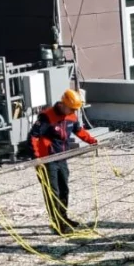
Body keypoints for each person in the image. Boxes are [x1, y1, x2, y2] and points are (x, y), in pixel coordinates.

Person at [28, 89, 98, 235]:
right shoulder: (47, 117)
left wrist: (92, 141)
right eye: (71, 108)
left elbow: (79, 131)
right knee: (53, 192)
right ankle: (57, 222)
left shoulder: (71, 116)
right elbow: (33, 137)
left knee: (64, 189)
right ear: (63, 104)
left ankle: (64, 217)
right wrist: (37, 158)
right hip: (47, 160)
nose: (73, 111)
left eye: (74, 109)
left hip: (62, 158)